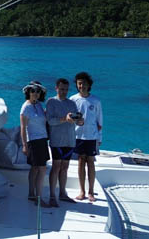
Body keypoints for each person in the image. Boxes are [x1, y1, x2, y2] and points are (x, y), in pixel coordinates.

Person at [46, 77, 83, 207]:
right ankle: (52, 195)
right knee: (56, 167)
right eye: (62, 89)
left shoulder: (72, 103)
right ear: (56, 88)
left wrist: (80, 121)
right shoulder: (51, 102)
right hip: (57, 141)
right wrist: (64, 119)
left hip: (70, 140)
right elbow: (50, 121)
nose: (64, 92)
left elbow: (76, 120)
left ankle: (62, 193)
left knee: (65, 168)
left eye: (66, 89)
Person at [70, 71, 103, 202]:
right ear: (77, 85)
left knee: (90, 161)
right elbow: (70, 118)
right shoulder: (73, 99)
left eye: (84, 83)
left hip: (92, 136)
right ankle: (82, 191)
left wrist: (99, 138)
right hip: (78, 136)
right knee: (80, 161)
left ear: (89, 85)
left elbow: (100, 121)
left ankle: (91, 192)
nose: (81, 86)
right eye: (79, 83)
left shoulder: (96, 101)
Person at [20, 81, 50, 206]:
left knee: (35, 168)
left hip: (42, 140)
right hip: (33, 141)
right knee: (42, 169)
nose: (35, 93)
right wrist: (24, 145)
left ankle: (31, 194)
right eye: (33, 91)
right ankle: (38, 198)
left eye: (38, 91)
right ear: (28, 92)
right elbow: (23, 128)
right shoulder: (25, 107)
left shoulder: (38, 105)